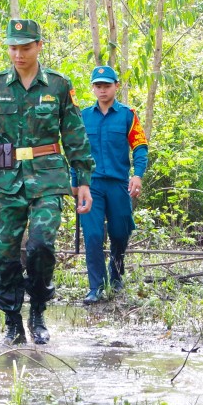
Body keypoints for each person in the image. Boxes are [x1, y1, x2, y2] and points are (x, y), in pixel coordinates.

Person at [0, 19, 94, 346]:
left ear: (38, 46)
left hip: (49, 178)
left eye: (25, 47)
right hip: (7, 180)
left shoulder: (58, 86)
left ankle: (37, 311)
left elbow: (75, 134)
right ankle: (12, 322)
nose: (18, 54)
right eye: (13, 47)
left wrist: (83, 181)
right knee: (5, 255)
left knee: (40, 245)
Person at [73, 65, 148, 303]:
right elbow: (75, 151)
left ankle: (116, 274)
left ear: (116, 86)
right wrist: (74, 182)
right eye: (98, 86)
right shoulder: (83, 116)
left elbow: (140, 147)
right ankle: (95, 286)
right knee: (93, 235)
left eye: (107, 85)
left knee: (120, 231)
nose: (102, 90)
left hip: (118, 184)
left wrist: (138, 175)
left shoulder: (128, 115)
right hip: (90, 185)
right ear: (93, 88)